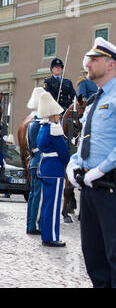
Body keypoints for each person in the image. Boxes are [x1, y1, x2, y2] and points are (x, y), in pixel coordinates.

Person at [66, 37, 116, 288]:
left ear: (110, 64)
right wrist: (75, 163)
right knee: (94, 261)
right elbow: (89, 141)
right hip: (90, 191)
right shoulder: (93, 101)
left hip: (113, 191)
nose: (87, 63)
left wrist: (100, 169)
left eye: (93, 59)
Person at [36, 91, 70, 247]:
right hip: (55, 169)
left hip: (45, 168)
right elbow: (63, 151)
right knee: (54, 205)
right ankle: (51, 237)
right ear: (53, 115)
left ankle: (46, 234)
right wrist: (69, 163)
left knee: (47, 204)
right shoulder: (54, 128)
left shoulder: (42, 128)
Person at [25, 87, 46, 235]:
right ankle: (34, 225)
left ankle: (30, 224)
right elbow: (38, 145)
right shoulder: (38, 124)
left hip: (34, 161)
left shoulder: (32, 122)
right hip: (39, 161)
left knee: (33, 195)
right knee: (37, 195)